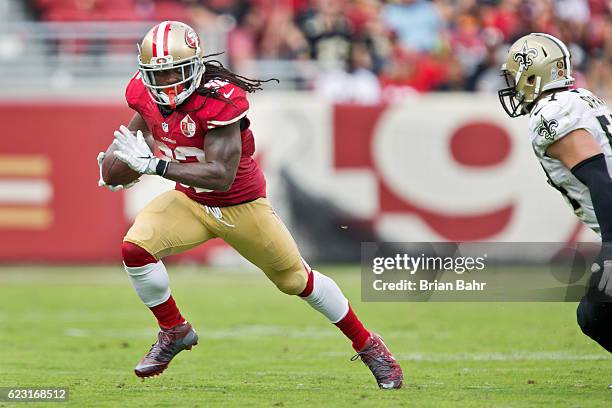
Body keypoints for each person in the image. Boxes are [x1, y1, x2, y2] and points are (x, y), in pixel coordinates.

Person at [97, 20, 403, 389]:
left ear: (194, 66)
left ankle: (369, 345)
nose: (166, 85)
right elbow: (139, 128)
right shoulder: (143, 93)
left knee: (297, 281)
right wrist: (117, 163)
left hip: (240, 206)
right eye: (157, 76)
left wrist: (153, 165)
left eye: (174, 73)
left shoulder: (220, 99)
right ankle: (173, 330)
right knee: (135, 249)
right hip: (190, 202)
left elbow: (220, 175)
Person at [499, 32, 612, 353]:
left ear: (533, 73)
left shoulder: (550, 112)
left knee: (596, 314)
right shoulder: (580, 98)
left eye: (514, 76)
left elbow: (600, 179)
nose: (512, 84)